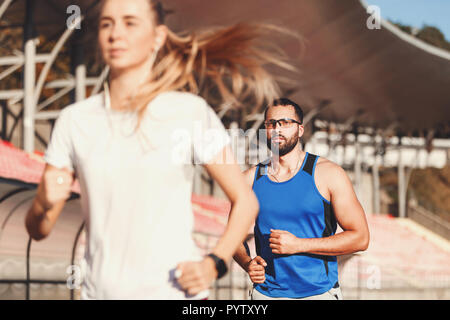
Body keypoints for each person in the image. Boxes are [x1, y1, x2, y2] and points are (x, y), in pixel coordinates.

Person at [25, 0, 295, 299]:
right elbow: (38, 230)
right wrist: (43, 203)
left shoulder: (188, 113)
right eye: (106, 24)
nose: (116, 34)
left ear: (158, 37)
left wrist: (213, 265)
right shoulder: (74, 121)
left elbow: (246, 202)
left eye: (130, 22)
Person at [233, 98, 370, 300]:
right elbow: (233, 236)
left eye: (286, 123)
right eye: (271, 124)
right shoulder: (249, 180)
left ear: (300, 130)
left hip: (319, 293)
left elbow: (361, 238)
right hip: (266, 295)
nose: (277, 129)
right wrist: (247, 263)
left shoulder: (329, 174)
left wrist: (300, 245)